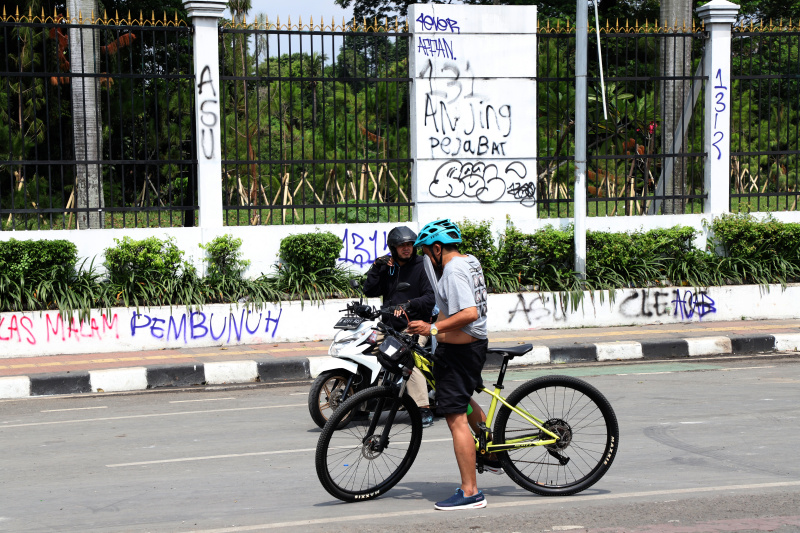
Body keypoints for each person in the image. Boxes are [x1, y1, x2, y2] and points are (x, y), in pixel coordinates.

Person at [406, 219, 501, 511]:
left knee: (455, 417)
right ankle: (492, 454)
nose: (426, 258)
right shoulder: (469, 261)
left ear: (437, 248)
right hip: (468, 345)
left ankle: (471, 492)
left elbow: (469, 313)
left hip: (464, 348)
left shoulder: (452, 270)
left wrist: (433, 329)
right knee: (464, 401)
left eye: (426, 251)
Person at [363, 225, 437, 428]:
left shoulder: (423, 265)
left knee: (407, 360)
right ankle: (361, 404)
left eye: (409, 244)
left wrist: (409, 305)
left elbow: (431, 297)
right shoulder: (388, 267)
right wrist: (377, 268)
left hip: (413, 326)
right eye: (401, 245)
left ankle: (423, 408)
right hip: (388, 326)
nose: (406, 248)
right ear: (393, 247)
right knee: (364, 353)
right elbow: (369, 290)